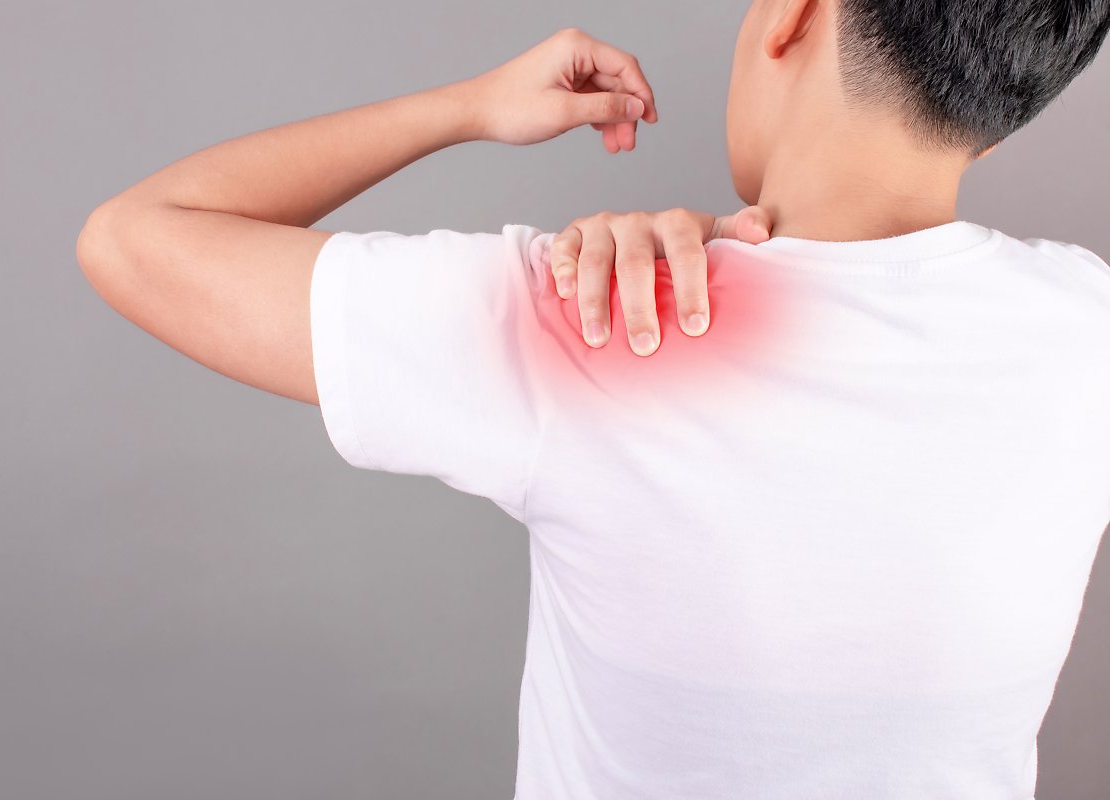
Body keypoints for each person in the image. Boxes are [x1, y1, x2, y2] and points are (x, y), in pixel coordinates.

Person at [75, 1, 1110, 797]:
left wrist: (469, 108)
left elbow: (135, 236)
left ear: (793, 14)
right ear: (1002, 115)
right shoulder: (1088, 334)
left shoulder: (595, 318)